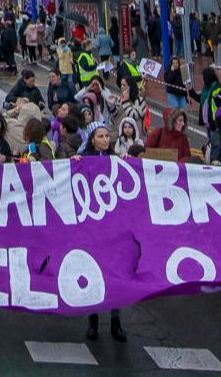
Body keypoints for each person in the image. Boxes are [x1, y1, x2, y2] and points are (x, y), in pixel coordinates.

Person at [78, 123, 126, 343]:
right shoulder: (84, 160)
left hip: (113, 228)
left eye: (107, 136)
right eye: (101, 136)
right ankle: (93, 321)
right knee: (94, 273)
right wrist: (72, 163)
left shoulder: (116, 161)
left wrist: (128, 162)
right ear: (92, 139)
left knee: (115, 274)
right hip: (92, 228)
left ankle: (116, 321)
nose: (105, 140)